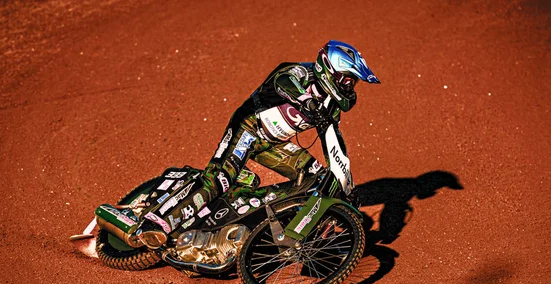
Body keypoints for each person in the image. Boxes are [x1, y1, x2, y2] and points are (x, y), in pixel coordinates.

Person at [136, 40, 380, 249]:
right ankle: (157, 221)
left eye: (353, 82)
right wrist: (306, 100)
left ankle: (265, 222)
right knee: (219, 179)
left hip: (274, 145)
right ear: (330, 71)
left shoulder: (331, 105)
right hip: (248, 130)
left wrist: (346, 184)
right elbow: (282, 81)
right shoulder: (299, 73)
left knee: (317, 179)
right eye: (348, 80)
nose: (350, 86)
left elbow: (332, 140)